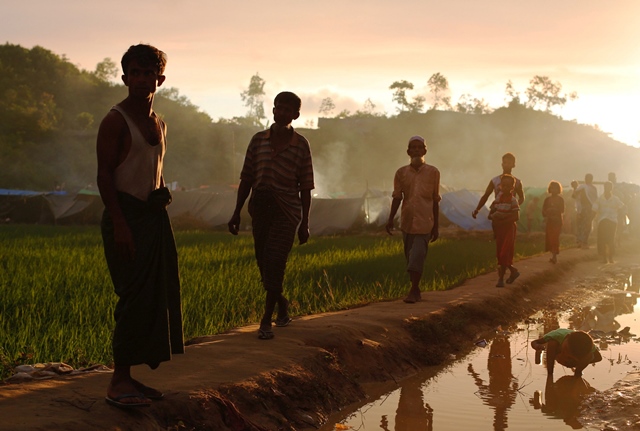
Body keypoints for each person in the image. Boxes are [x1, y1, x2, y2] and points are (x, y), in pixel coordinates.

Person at [96, 44, 184, 409]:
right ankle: (117, 381)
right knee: (132, 298)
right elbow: (104, 177)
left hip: (151, 219)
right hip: (125, 217)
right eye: (135, 72)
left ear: (159, 79)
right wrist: (120, 225)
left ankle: (130, 377)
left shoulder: (160, 123)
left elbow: (154, 173)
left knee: (152, 298)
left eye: (149, 73)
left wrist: (160, 195)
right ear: (125, 77)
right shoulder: (115, 120)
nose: (142, 79)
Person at [228, 91, 314, 340]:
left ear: (296, 115)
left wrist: (305, 223)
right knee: (263, 264)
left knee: (276, 262)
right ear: (273, 110)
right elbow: (246, 178)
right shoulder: (258, 141)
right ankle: (282, 304)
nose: (284, 113)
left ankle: (266, 319)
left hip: (287, 212)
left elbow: (306, 187)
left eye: (289, 110)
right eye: (280, 108)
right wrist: (236, 212)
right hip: (260, 208)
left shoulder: (301, 145)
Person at [386, 135, 441, 303]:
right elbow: (397, 197)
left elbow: (435, 199)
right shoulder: (401, 173)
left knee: (417, 255)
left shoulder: (433, 172)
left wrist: (436, 226)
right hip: (407, 221)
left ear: (425, 150)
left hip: (425, 222)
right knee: (410, 257)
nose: (417, 150)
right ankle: (416, 287)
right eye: (413, 147)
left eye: (420, 147)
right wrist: (390, 219)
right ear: (408, 152)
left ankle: (413, 290)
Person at [488, 174, 520, 287]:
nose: (505, 187)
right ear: (500, 186)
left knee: (504, 253)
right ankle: (513, 271)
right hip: (499, 228)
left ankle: (501, 279)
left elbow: (516, 216)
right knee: (500, 252)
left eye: (508, 186)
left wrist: (503, 220)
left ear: (512, 188)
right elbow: (492, 210)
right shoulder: (498, 199)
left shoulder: (513, 200)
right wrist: (492, 215)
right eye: (503, 185)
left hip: (508, 228)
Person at [471, 152, 525, 220]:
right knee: (497, 229)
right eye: (505, 162)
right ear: (502, 164)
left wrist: (513, 206)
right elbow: (486, 196)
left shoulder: (517, 182)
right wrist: (477, 210)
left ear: (513, 165)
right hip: (497, 212)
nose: (506, 165)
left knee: (509, 230)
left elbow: (522, 197)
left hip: (510, 215)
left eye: (509, 163)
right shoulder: (494, 181)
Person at [531, 329, 602, 377]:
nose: (565, 354)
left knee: (589, 356)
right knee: (552, 343)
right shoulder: (556, 335)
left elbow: (598, 358)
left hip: (574, 361)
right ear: (567, 337)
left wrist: (579, 364)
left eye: (569, 355)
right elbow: (534, 342)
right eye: (565, 349)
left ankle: (577, 373)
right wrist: (537, 346)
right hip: (556, 351)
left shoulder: (589, 347)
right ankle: (550, 373)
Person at [593, 181, 625, 263]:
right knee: (603, 239)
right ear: (604, 187)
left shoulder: (615, 199)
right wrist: (592, 219)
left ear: (611, 188)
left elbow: (622, 208)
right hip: (602, 220)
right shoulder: (600, 199)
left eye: (609, 187)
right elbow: (594, 209)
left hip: (612, 221)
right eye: (606, 187)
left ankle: (610, 257)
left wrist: (621, 216)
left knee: (611, 239)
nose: (607, 189)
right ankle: (604, 257)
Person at [571, 173, 598, 249]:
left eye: (588, 178)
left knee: (585, 224)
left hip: (588, 208)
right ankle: (581, 241)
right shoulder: (585, 187)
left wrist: (575, 189)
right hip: (585, 208)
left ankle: (583, 241)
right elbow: (574, 196)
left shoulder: (588, 188)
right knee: (583, 224)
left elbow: (574, 196)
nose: (587, 179)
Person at [542, 181, 564, 264]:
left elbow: (562, 210)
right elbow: (543, 211)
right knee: (550, 238)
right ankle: (553, 254)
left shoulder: (560, 199)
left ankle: (554, 255)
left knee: (555, 237)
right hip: (550, 221)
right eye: (552, 188)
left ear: (558, 189)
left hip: (557, 221)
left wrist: (554, 210)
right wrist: (547, 212)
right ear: (549, 189)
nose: (553, 189)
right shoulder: (547, 200)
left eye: (555, 188)